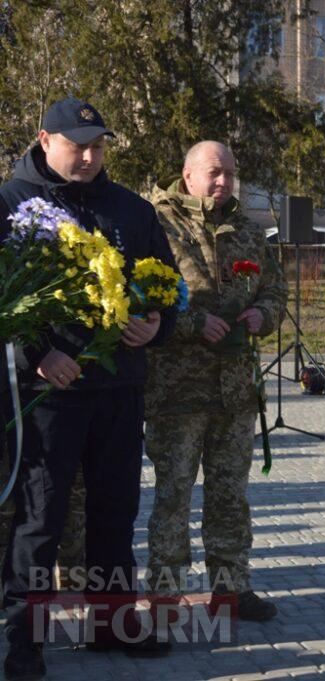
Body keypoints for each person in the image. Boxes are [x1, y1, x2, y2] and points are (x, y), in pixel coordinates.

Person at [0, 97, 178, 677]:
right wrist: (38, 354)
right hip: (47, 394)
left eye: (99, 145)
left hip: (118, 389)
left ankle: (112, 624)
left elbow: (168, 285)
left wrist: (156, 323)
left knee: (115, 512)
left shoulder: (130, 208)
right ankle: (23, 641)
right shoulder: (9, 204)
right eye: (78, 144)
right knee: (40, 519)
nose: (90, 155)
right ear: (44, 139)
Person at [144, 141, 286, 622]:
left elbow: (275, 290)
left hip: (235, 390)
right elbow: (140, 297)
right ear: (187, 175)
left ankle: (231, 587)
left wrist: (260, 315)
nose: (223, 181)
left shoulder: (248, 230)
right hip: (177, 390)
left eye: (230, 172)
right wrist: (190, 325)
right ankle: (166, 593)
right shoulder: (157, 225)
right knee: (173, 496)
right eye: (213, 172)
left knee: (229, 495)